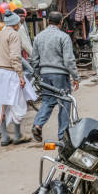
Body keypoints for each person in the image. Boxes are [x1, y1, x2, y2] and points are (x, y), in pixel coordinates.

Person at [31, 11, 79, 141]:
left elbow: (34, 59)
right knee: (64, 102)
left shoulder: (38, 37)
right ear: (61, 22)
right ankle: (62, 135)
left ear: (48, 21)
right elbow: (69, 60)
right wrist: (76, 77)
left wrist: (37, 76)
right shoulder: (63, 37)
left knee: (47, 101)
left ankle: (38, 125)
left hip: (44, 74)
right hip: (60, 74)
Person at [0, 10, 36, 146]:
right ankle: (17, 135)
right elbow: (15, 57)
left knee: (2, 104)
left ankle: (4, 137)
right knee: (17, 103)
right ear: (15, 23)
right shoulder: (14, 35)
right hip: (10, 72)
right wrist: (21, 76)